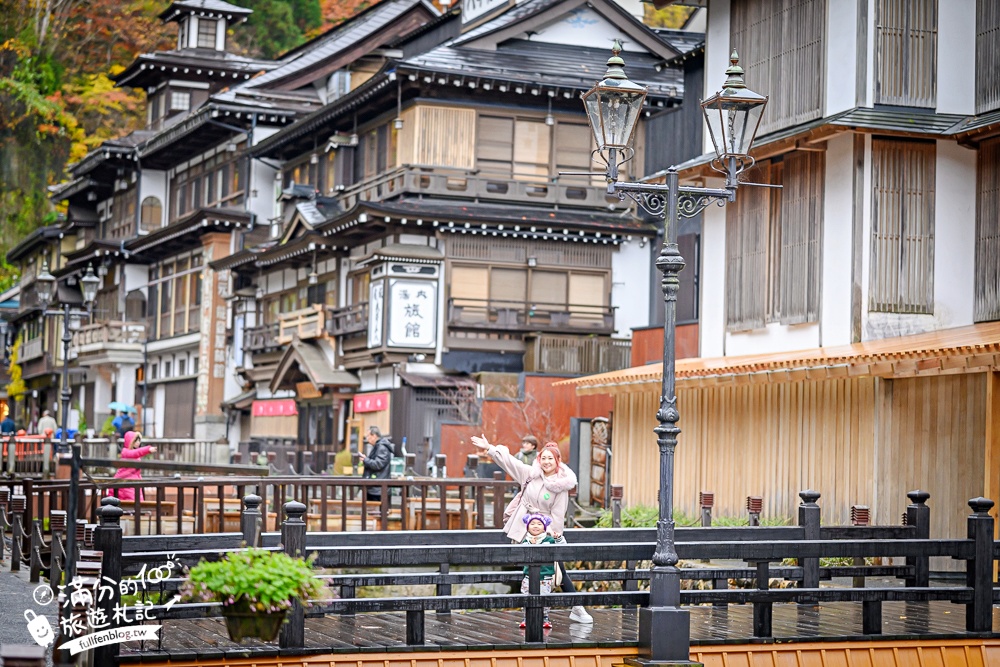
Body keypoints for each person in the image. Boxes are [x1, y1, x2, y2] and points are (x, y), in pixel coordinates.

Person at [470, 434, 593, 624]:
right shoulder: (530, 474)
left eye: (550, 458)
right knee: (529, 571)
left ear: (558, 461)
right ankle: (534, 614)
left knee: (557, 571)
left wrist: (551, 534)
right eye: (543, 458)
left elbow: (558, 516)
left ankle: (575, 608)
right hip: (527, 528)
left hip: (546, 532)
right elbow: (510, 462)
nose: (546, 462)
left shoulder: (560, 486)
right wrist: (490, 448)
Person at [519, 512, 557, 629]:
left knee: (545, 597)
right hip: (528, 576)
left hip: (545, 576)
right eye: (532, 524)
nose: (536, 526)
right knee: (526, 596)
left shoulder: (549, 540)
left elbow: (561, 549)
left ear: (544, 527)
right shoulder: (525, 541)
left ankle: (545, 618)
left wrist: (558, 538)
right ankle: (526, 617)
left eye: (539, 524)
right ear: (527, 527)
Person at [106, 431, 156, 502]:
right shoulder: (126, 452)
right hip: (126, 483)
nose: (138, 442)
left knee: (135, 501)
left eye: (139, 440)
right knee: (133, 501)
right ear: (131, 442)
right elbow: (135, 453)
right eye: (136, 440)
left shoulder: (133, 455)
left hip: (131, 482)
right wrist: (147, 449)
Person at [358, 426, 393, 502]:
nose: (367, 438)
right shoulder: (378, 446)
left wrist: (365, 460)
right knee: (373, 512)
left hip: (378, 489)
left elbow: (378, 464)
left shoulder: (382, 448)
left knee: (377, 512)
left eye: (368, 436)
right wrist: (366, 460)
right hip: (376, 487)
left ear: (374, 436)